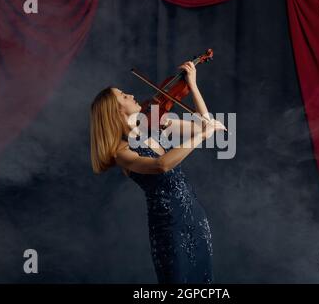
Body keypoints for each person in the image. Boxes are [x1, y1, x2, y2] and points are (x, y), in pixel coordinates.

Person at [90, 61, 226, 283]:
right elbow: (160, 165)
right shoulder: (122, 152)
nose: (131, 95)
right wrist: (203, 135)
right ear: (115, 111)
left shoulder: (154, 124)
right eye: (123, 96)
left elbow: (204, 125)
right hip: (169, 226)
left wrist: (192, 84)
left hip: (196, 219)